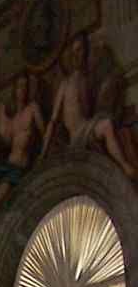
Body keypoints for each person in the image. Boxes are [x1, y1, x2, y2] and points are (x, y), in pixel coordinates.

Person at [41, 31, 136, 179]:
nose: (79, 55)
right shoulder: (65, 84)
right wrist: (43, 153)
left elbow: (95, 108)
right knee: (106, 125)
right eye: (76, 51)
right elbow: (53, 121)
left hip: (87, 127)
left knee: (107, 124)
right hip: (77, 136)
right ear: (72, 56)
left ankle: (123, 165)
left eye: (82, 50)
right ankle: (123, 165)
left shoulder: (87, 81)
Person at [0, 72, 45, 234]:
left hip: (19, 169)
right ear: (15, 90)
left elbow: (44, 134)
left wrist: (41, 158)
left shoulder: (32, 110)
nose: (23, 90)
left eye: (26, 87)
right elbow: (0, 146)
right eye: (20, 86)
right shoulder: (12, 118)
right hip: (7, 167)